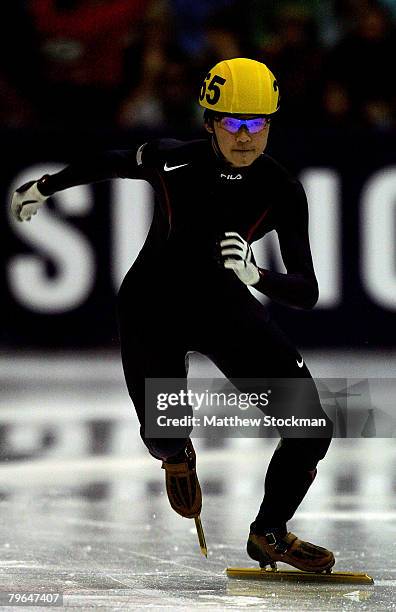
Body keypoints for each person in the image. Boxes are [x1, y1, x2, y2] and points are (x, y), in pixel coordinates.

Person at [11, 57, 334, 573]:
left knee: (311, 428)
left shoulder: (281, 189)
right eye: (234, 122)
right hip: (151, 309)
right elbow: (112, 161)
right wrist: (45, 187)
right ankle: (174, 451)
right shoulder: (171, 160)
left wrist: (258, 278)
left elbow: (307, 290)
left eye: (259, 123)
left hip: (224, 308)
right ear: (209, 122)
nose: (247, 137)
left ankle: (269, 530)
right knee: (165, 433)